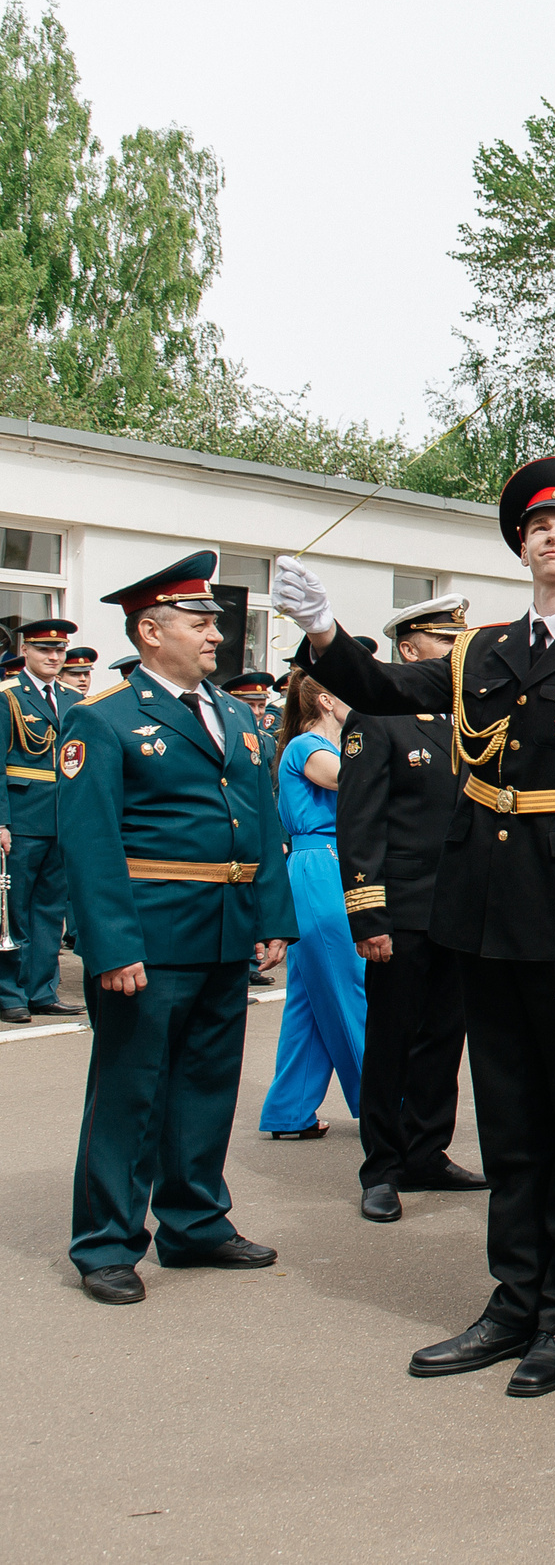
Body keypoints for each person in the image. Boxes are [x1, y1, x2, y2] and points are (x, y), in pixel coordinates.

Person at [273, 457, 555, 1398]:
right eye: (538, 526)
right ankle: (512, 1298)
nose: (553, 535)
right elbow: (386, 687)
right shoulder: (480, 653)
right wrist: (322, 626)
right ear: (522, 545)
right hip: (480, 904)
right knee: (511, 1120)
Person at [57, 553, 294, 1304]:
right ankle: (106, 1242)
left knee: (205, 1085)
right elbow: (90, 844)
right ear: (151, 631)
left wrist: (270, 916)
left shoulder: (233, 713)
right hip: (149, 936)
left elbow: (260, 823)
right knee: (130, 1089)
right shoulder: (104, 720)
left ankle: (194, 1222)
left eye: (215, 623)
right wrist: (112, 944)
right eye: (200, 623)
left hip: (224, 930)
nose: (215, 635)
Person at [341, 596, 484, 1224]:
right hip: (400, 911)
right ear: (408, 649)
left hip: (458, 912)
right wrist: (369, 915)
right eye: (444, 640)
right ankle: (382, 1166)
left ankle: (428, 1150)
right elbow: (361, 822)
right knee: (392, 1040)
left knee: (443, 1039)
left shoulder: (471, 718)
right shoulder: (377, 716)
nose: (458, 651)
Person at [256, 669, 366, 1140]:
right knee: (352, 987)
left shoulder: (319, 744)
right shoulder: (306, 746)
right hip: (321, 864)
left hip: (322, 864)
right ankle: (387, 1103)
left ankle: (290, 1110)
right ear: (324, 700)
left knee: (308, 1000)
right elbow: (349, 780)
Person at [2, 616, 87, 1022]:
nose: (53, 656)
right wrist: (0, 822)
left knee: (50, 911)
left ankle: (41, 990)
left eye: (58, 650)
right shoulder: (8, 696)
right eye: (43, 649)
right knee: (13, 910)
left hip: (61, 819)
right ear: (25, 652)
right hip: (20, 819)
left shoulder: (74, 699)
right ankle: (9, 993)